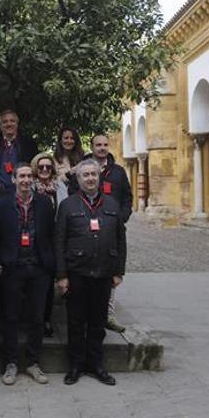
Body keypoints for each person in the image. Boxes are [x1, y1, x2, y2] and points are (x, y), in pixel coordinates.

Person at [55, 159, 125, 387]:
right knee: (76, 323)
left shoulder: (112, 204)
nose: (90, 178)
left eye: (94, 174)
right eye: (85, 175)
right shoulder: (67, 205)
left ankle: (96, 364)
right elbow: (59, 241)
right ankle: (75, 365)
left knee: (97, 322)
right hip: (77, 274)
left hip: (104, 273)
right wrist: (62, 275)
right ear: (78, 179)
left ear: (99, 176)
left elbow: (120, 240)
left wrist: (118, 272)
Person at [0, 163, 56, 386]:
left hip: (38, 268)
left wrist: (51, 265)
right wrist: (0, 262)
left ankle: (33, 362)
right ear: (14, 179)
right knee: (10, 317)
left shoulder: (45, 203)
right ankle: (10, 363)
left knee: (37, 318)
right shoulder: (1, 205)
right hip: (13, 267)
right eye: (22, 176)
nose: (26, 180)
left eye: (30, 176)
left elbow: (51, 235)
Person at [84, 134, 133, 333]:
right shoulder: (84, 168)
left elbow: (127, 198)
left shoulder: (118, 172)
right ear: (92, 146)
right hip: (87, 229)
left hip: (112, 230)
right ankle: (91, 315)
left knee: (111, 272)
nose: (102, 148)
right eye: (98, 145)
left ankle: (108, 315)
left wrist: (121, 217)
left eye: (105, 144)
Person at [31, 153, 68, 338]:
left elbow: (65, 209)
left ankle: (46, 319)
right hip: (35, 240)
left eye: (48, 167)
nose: (44, 170)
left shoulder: (60, 186)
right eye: (40, 167)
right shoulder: (30, 187)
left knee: (49, 282)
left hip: (56, 238)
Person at [0, 109, 39, 190]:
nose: (9, 124)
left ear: (17, 124)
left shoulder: (29, 143)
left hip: (24, 188)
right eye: (5, 122)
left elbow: (35, 167)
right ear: (0, 126)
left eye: (12, 121)